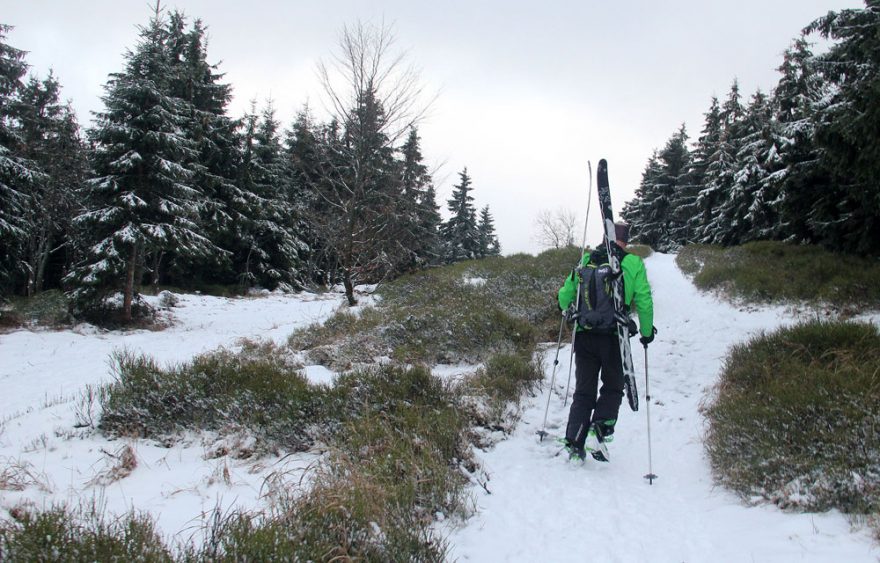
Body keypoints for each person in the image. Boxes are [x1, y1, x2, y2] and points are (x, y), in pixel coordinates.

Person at [558, 222, 654, 462]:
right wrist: (646, 331)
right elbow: (643, 299)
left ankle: (574, 442)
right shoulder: (632, 263)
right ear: (626, 240)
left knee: (583, 391)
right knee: (613, 387)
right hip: (614, 337)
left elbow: (564, 295)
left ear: (604, 237)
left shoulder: (587, 259)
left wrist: (566, 308)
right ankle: (598, 429)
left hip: (584, 334)